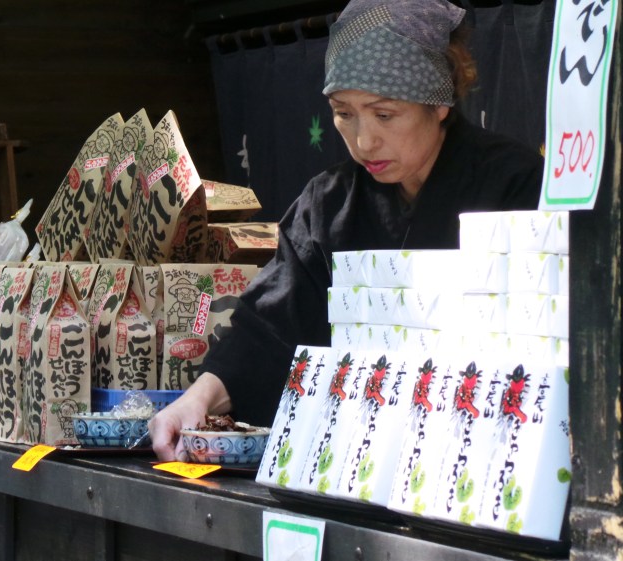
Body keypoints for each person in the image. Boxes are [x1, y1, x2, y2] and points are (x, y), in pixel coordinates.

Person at [149, 0, 543, 461]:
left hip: (476, 452)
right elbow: (269, 329)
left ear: (439, 105)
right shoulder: (328, 204)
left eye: (384, 114)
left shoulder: (515, 185)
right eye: (343, 112)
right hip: (359, 454)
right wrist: (194, 401)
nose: (363, 140)